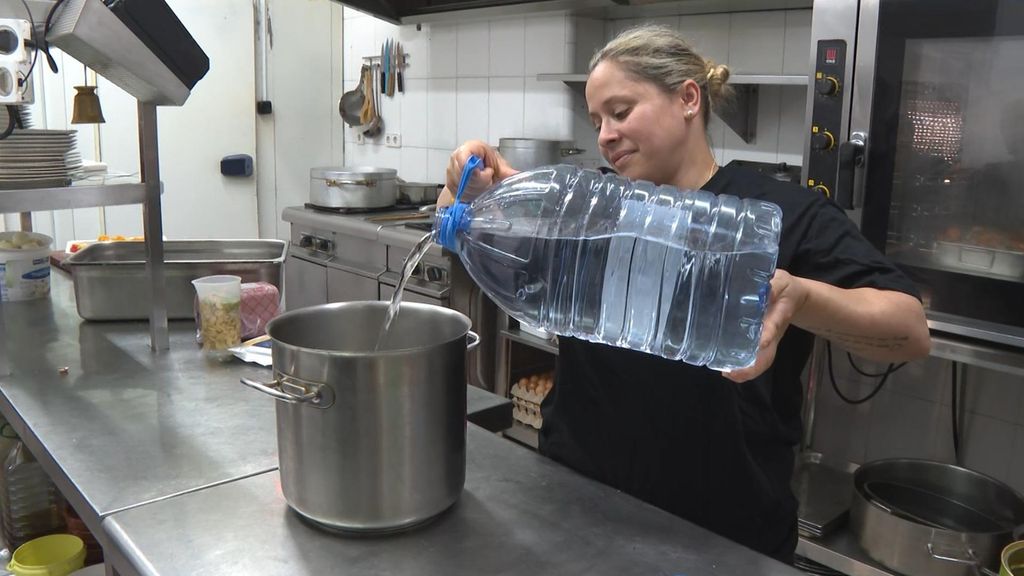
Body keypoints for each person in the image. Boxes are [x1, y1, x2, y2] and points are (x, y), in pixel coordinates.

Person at [439, 25, 931, 563]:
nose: (604, 134)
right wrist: (475, 192)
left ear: (688, 98)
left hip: (722, 535)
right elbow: (458, 223)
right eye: (597, 120)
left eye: (621, 111)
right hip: (575, 506)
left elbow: (908, 330)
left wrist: (802, 299)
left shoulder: (780, 214)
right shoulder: (593, 206)